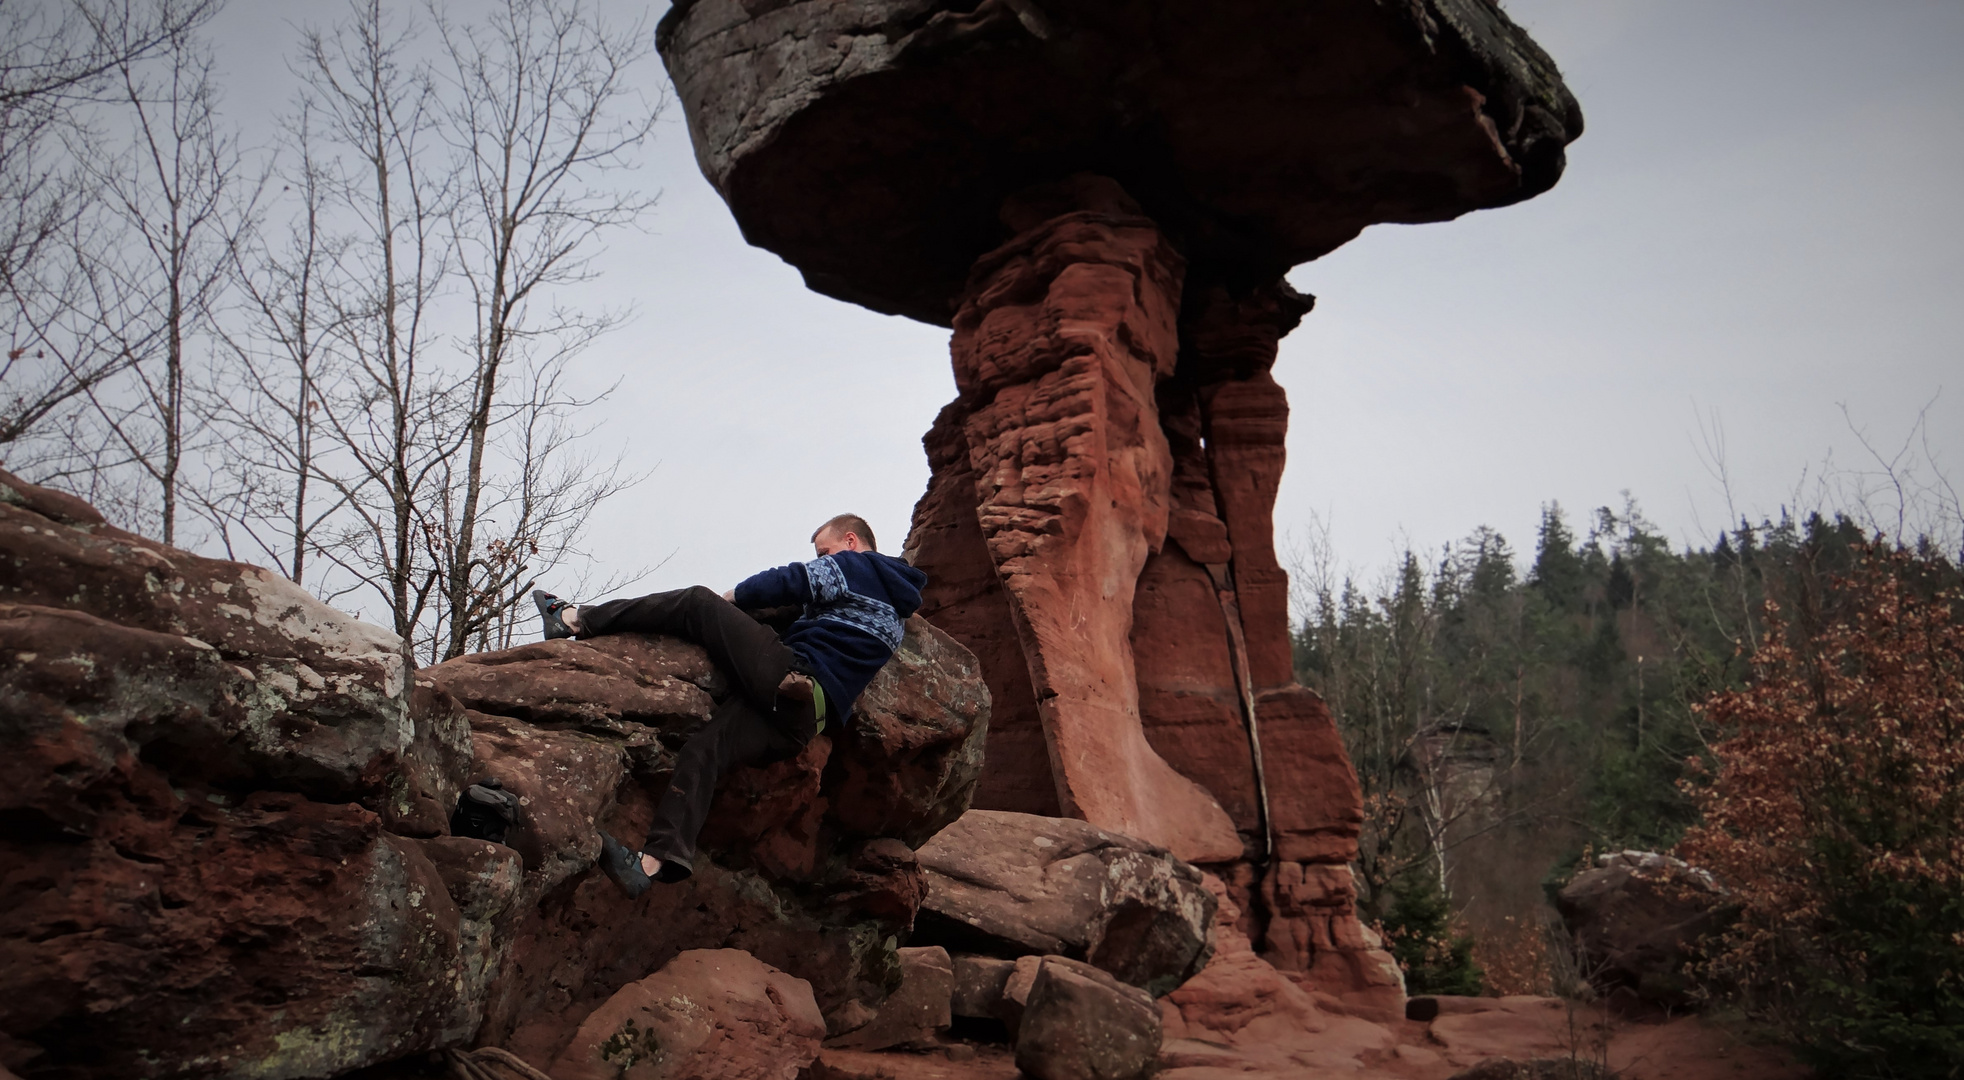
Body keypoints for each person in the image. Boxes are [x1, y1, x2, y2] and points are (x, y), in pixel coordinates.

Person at [532, 513, 927, 898]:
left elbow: (792, 581)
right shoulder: (893, 608)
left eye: (826, 551)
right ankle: (651, 864)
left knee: (696, 603)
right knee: (704, 751)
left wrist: (732, 598)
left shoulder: (858, 566)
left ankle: (573, 620)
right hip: (803, 720)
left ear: (851, 542)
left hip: (793, 676)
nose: (824, 559)